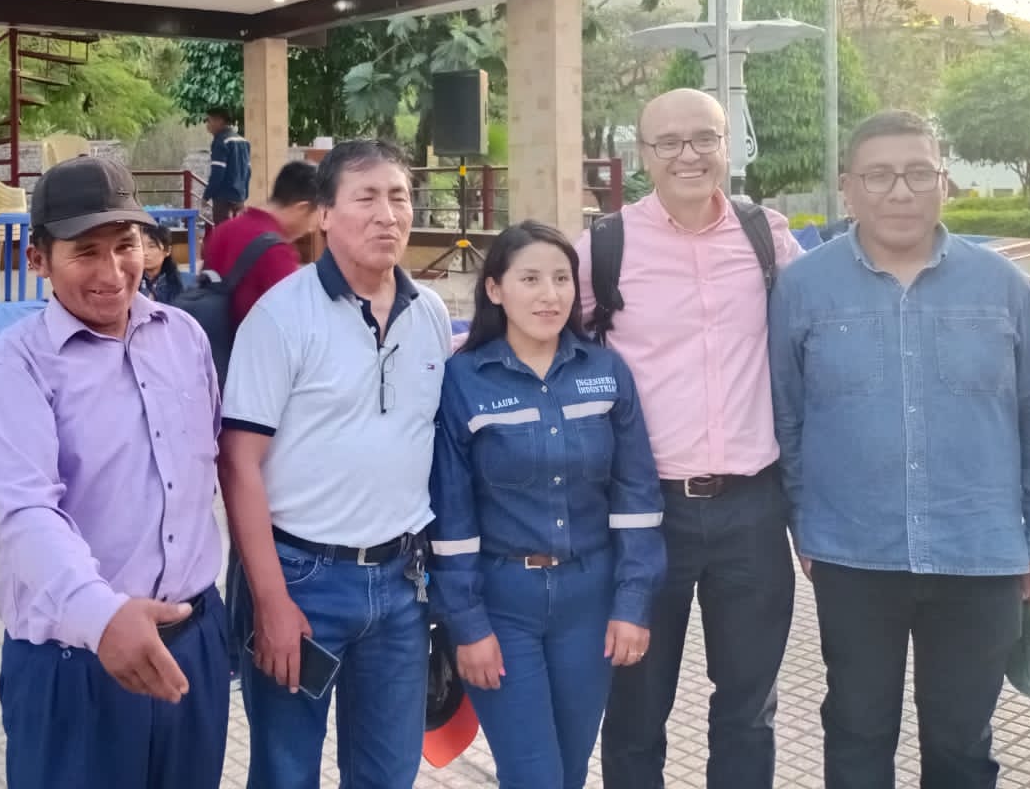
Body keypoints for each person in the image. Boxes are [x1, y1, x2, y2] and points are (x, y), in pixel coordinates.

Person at [770, 110, 1030, 789]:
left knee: (961, 743)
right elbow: (786, 418)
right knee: (855, 731)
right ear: (848, 187)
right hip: (853, 553)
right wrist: (803, 523)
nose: (899, 191)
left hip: (979, 554)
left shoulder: (1003, 286)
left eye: (917, 173)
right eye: (879, 175)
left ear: (943, 182)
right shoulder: (803, 288)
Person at [0, 156, 230, 789]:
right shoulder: (14, 371)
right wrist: (101, 616)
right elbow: (27, 515)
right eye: (85, 252)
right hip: (76, 660)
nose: (112, 273)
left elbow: (213, 465)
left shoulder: (184, 337)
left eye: (125, 246)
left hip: (194, 640)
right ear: (38, 258)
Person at [579, 87, 803, 789]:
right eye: (669, 142)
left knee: (748, 710)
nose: (689, 155)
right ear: (643, 154)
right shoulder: (603, 248)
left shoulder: (768, 237)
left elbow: (818, 335)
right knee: (635, 710)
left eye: (705, 138)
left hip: (753, 509)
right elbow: (543, 342)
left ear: (727, 145)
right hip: (644, 516)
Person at [218, 138, 452, 789]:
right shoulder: (281, 316)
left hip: (402, 585)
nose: (387, 214)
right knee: (286, 773)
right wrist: (270, 600)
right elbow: (238, 464)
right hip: (303, 580)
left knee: (388, 773)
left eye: (398, 197)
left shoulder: (430, 314)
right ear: (323, 214)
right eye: (365, 198)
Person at [430, 221, 666, 789]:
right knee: (533, 775)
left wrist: (633, 602)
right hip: (503, 604)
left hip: (590, 602)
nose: (550, 295)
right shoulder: (464, 379)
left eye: (562, 279)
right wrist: (467, 624)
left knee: (571, 770)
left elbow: (636, 497)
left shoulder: (605, 372)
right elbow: (452, 517)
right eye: (530, 278)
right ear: (495, 289)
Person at [201, 160, 321, 327]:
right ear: (302, 208)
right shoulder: (277, 252)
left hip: (210, 337)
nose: (312, 228)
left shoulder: (223, 230)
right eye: (317, 216)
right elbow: (291, 323)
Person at [203, 107, 251, 223]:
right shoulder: (243, 141)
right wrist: (244, 195)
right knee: (238, 229)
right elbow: (248, 171)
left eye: (208, 120)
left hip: (223, 198)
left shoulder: (221, 141)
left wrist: (207, 195)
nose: (207, 125)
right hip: (239, 198)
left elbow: (218, 173)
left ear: (219, 121)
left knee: (223, 230)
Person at [137, 219, 188, 304]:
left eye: (152, 246)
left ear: (167, 250)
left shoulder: (183, 283)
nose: (144, 252)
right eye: (140, 246)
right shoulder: (130, 281)